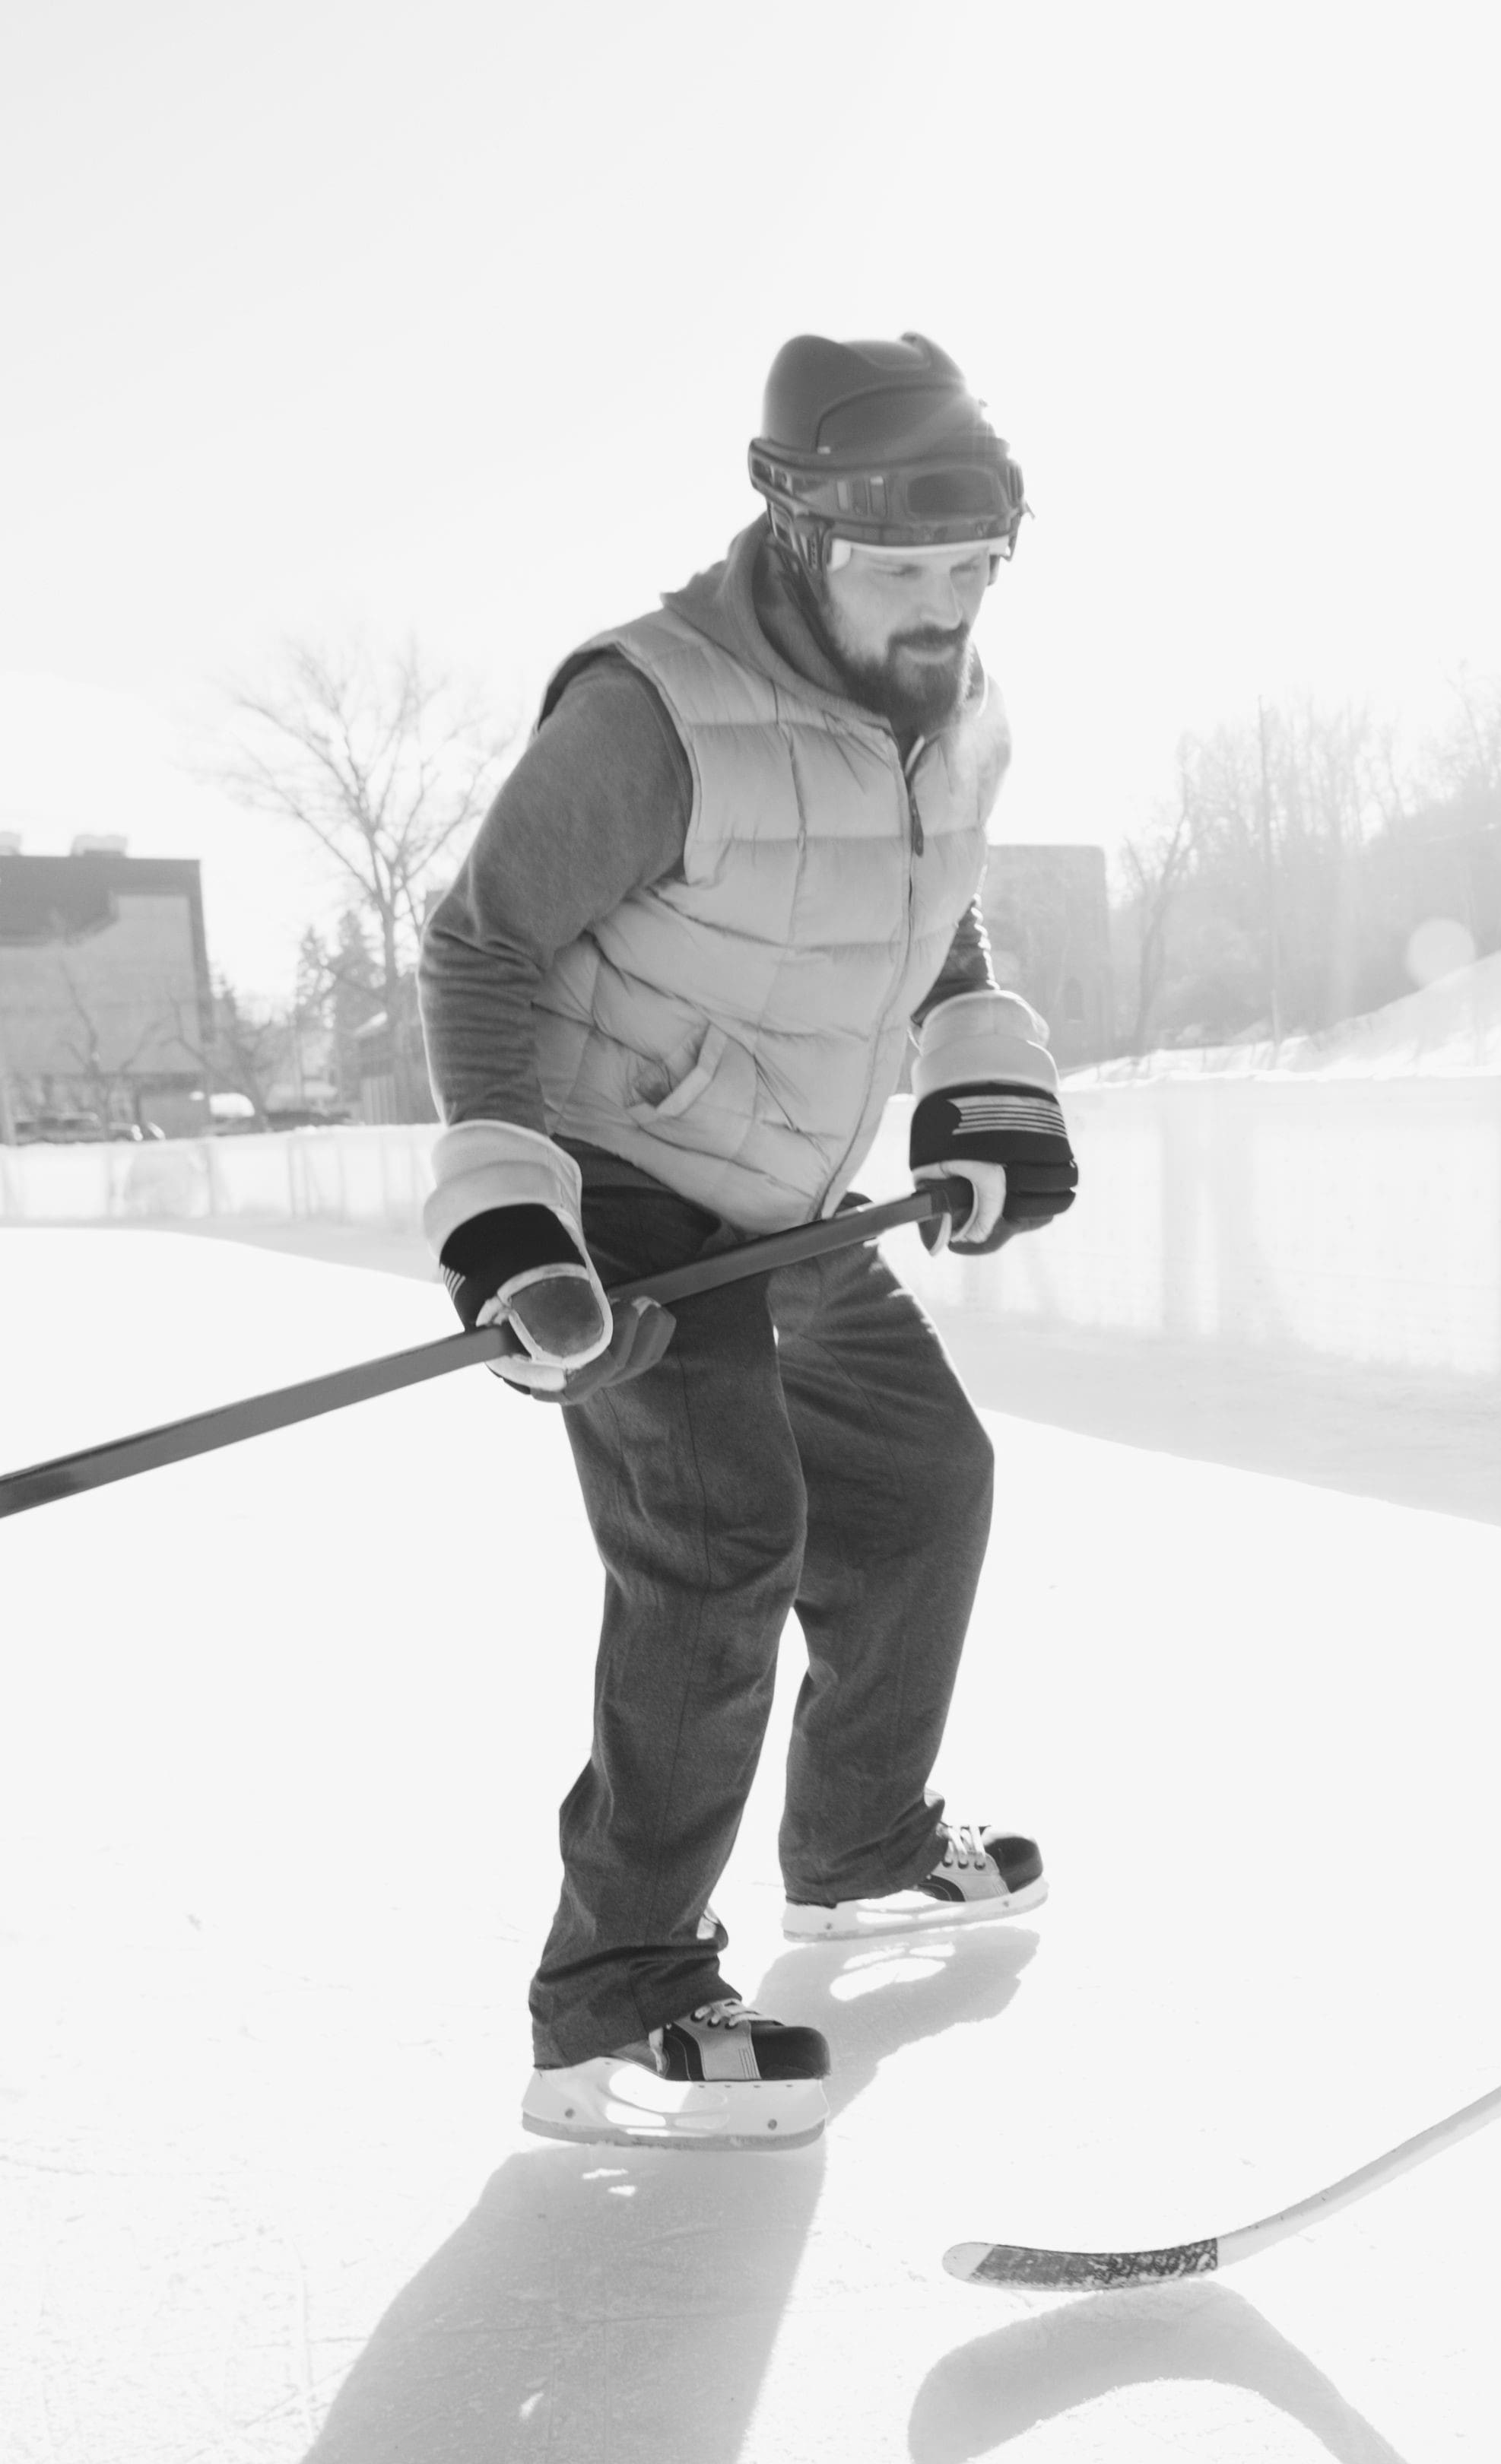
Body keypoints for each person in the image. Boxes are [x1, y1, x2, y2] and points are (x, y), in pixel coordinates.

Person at [413, 330, 1077, 2151]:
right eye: (903, 571)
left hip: (785, 1197)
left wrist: (980, 1080)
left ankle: (859, 1844)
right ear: (795, 534)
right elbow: (480, 944)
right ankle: (609, 2004)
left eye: (973, 569)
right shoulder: (651, 710)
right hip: (619, 1188)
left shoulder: (957, 708)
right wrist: (511, 1225)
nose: (942, 608)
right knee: (719, 1552)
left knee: (923, 1481)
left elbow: (918, 908)